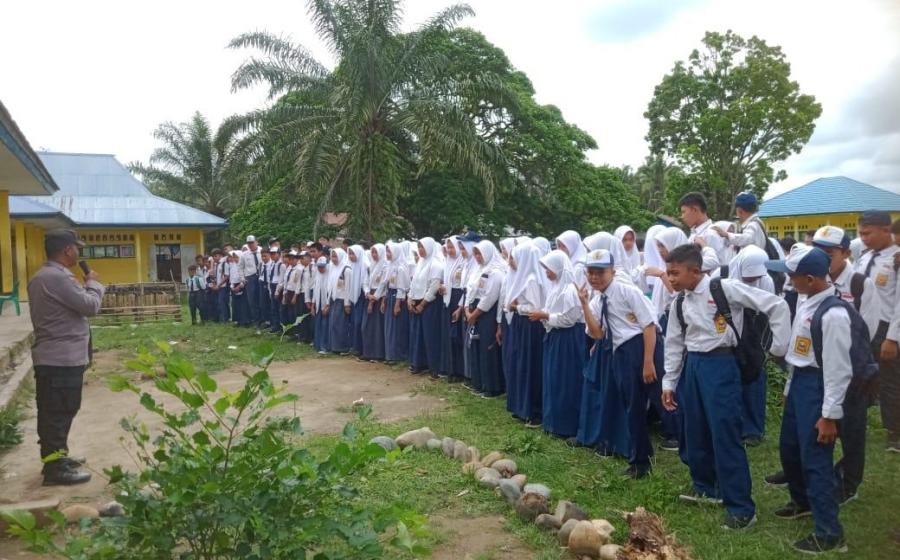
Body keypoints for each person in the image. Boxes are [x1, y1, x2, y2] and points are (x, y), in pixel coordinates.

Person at [662, 244, 790, 530]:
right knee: (695, 430)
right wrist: (669, 381)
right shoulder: (680, 302)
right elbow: (673, 342)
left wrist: (780, 347)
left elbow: (775, 305)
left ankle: (741, 507)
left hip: (721, 366)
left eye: (674, 272)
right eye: (668, 273)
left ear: (695, 271)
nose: (669, 278)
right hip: (693, 367)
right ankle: (706, 487)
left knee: (725, 434)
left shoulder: (724, 289)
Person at [766, 245, 852, 554]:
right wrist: (789, 390)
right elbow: (798, 354)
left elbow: (838, 371)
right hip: (801, 382)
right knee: (790, 450)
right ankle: (801, 501)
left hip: (819, 387)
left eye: (793, 276)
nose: (788, 281)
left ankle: (830, 532)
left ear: (812, 279)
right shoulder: (805, 300)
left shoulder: (834, 315)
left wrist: (829, 415)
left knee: (816, 460)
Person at [579, 248, 666, 478]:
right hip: (620, 353)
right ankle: (640, 460)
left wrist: (648, 362)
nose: (594, 277)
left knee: (663, 402)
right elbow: (597, 333)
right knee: (632, 407)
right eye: (591, 272)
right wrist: (585, 304)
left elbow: (649, 325)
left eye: (600, 272)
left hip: (644, 347)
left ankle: (689, 446)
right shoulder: (598, 300)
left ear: (613, 271)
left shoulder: (627, 291)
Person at [28, 229, 105, 485]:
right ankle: (54, 469)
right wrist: (93, 283)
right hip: (59, 359)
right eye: (77, 247)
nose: (79, 252)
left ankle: (57, 457)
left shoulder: (46, 276)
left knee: (59, 409)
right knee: (58, 412)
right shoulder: (57, 277)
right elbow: (90, 306)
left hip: (58, 357)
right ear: (67, 250)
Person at [854, 209, 900, 452]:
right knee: (861, 377)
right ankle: (855, 423)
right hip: (862, 325)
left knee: (891, 382)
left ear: (886, 230)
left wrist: (892, 337)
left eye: (868, 233)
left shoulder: (897, 258)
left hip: (886, 327)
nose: (864, 238)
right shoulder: (863, 258)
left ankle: (895, 433)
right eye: (861, 234)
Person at [531, 250, 585, 438]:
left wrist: (545, 315)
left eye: (549, 269)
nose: (547, 272)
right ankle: (552, 422)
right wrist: (543, 314)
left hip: (568, 339)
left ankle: (566, 425)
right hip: (556, 336)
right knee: (553, 378)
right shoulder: (555, 287)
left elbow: (570, 319)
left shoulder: (570, 289)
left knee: (565, 381)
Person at [725, 246, 774, 446]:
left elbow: (769, 311)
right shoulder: (723, 274)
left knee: (754, 377)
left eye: (756, 277)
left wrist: (766, 344)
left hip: (754, 331)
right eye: (747, 278)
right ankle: (733, 425)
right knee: (731, 378)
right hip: (728, 331)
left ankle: (753, 429)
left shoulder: (767, 280)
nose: (752, 281)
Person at [505, 242, 546, 426]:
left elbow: (534, 308)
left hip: (530, 327)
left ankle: (533, 410)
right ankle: (521, 406)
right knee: (520, 364)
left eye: (513, 258)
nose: (510, 262)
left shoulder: (531, 279)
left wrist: (515, 307)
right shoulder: (522, 278)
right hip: (522, 325)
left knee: (529, 366)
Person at [465, 240, 507, 397]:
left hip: (486, 313)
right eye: (475, 253)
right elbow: (471, 290)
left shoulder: (495, 272)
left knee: (487, 349)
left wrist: (474, 314)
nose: (477, 257)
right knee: (476, 347)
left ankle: (493, 386)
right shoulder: (478, 270)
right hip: (475, 312)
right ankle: (480, 382)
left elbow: (489, 297)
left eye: (479, 253)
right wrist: (467, 310)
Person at [409, 237, 445, 376]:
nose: (420, 250)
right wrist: (410, 299)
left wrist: (423, 304)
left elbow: (434, 286)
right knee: (417, 335)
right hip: (417, 302)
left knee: (430, 335)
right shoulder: (420, 263)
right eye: (419, 247)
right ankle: (418, 363)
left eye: (422, 247)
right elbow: (414, 282)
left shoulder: (436, 264)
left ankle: (433, 367)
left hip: (429, 304)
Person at [440, 237, 466, 380]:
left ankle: (460, 371)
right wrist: (442, 287)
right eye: (447, 248)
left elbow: (464, 286)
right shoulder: (447, 263)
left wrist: (460, 305)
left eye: (452, 247)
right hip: (447, 300)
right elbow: (447, 281)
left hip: (458, 299)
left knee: (457, 337)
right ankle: (450, 369)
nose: (449, 251)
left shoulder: (464, 263)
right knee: (449, 336)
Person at [680, 192, 726, 264]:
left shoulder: (710, 234)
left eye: (683, 212)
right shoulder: (695, 233)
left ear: (695, 210)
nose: (682, 216)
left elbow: (717, 264)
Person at [383, 241, 410, 363]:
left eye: (389, 251)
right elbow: (386, 285)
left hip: (397, 299)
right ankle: (390, 354)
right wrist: (384, 300)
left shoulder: (401, 268)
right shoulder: (390, 266)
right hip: (390, 296)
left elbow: (401, 288)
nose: (387, 254)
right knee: (389, 328)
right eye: (387, 251)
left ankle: (398, 355)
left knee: (396, 329)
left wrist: (397, 304)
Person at [362, 244, 388, 362]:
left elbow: (383, 284)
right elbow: (365, 281)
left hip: (379, 297)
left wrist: (375, 297)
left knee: (377, 328)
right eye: (372, 252)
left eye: (376, 252)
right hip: (370, 296)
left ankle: (378, 354)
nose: (373, 255)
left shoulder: (385, 266)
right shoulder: (371, 265)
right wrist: (367, 293)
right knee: (367, 326)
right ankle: (368, 352)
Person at [327, 248, 353, 354]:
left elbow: (348, 288)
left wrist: (347, 304)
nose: (333, 259)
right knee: (333, 324)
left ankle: (343, 347)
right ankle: (335, 346)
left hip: (342, 301)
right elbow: (330, 286)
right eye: (332, 256)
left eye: (335, 256)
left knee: (341, 325)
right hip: (334, 299)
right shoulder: (333, 268)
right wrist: (328, 301)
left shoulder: (347, 270)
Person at [240, 235, 262, 325]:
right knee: (252, 300)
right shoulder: (244, 254)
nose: (250, 245)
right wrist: (242, 278)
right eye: (249, 243)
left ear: (256, 242)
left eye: (252, 243)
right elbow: (240, 267)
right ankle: (256, 320)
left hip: (261, 277)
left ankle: (264, 319)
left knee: (262, 299)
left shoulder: (261, 251)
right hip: (250, 277)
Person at [312, 256, 331, 353]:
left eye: (322, 267)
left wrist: (327, 305)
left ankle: (325, 346)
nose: (320, 269)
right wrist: (313, 305)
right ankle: (318, 344)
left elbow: (331, 292)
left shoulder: (330, 276)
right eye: (319, 267)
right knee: (318, 323)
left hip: (326, 304)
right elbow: (316, 290)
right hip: (318, 304)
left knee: (325, 325)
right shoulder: (318, 275)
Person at [228, 250, 249, 327]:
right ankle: (238, 321)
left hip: (242, 286)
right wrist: (232, 286)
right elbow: (232, 277)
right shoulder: (233, 266)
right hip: (234, 286)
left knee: (243, 305)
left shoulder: (243, 266)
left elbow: (245, 278)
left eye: (236, 257)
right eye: (234, 257)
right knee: (235, 305)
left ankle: (245, 321)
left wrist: (239, 286)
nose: (235, 259)